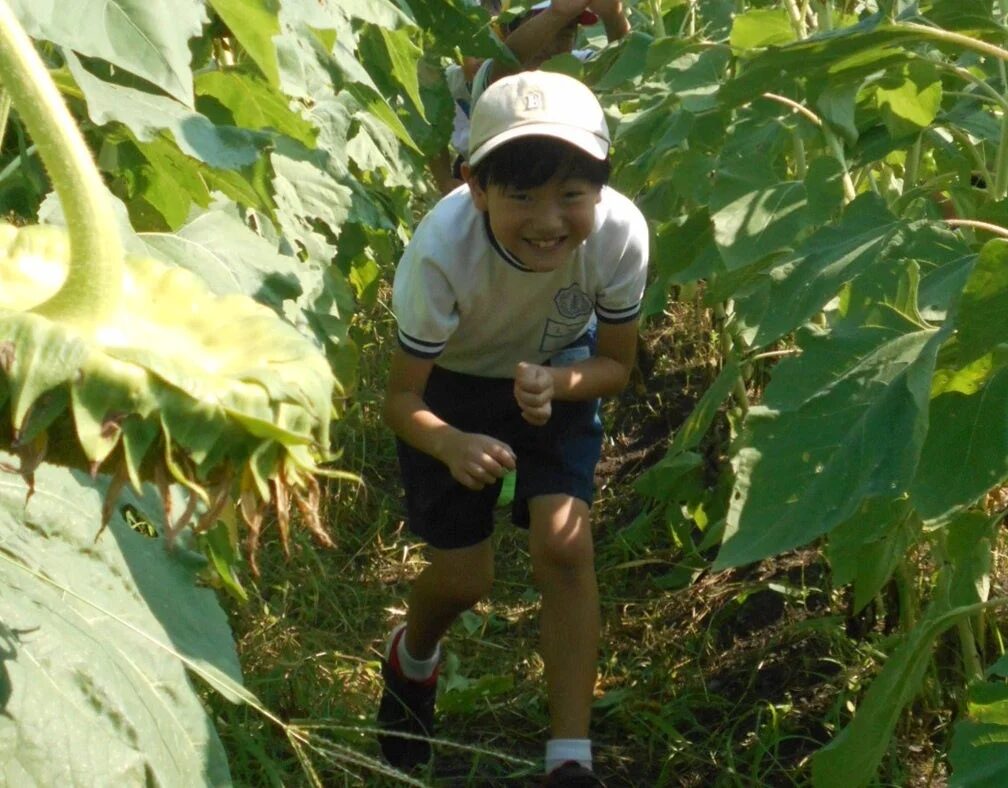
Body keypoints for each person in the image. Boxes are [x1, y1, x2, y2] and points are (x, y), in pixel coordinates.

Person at [377, 70, 649, 786]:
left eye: (571, 195)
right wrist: (449, 441)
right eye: (520, 195)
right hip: (452, 391)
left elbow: (617, 365)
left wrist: (558, 383)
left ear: (601, 186)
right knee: (465, 579)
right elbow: (401, 398)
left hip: (558, 371)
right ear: (475, 186)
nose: (549, 220)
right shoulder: (441, 252)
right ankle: (414, 653)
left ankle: (570, 758)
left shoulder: (619, 234)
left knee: (566, 544)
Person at [431, 0, 630, 193]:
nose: (552, 45)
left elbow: (623, 62)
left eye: (565, 33)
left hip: (565, 187)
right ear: (508, 30)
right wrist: (444, 179)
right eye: (543, 28)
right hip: (502, 188)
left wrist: (613, 16)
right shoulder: (489, 71)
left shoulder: (574, 67)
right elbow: (508, 61)